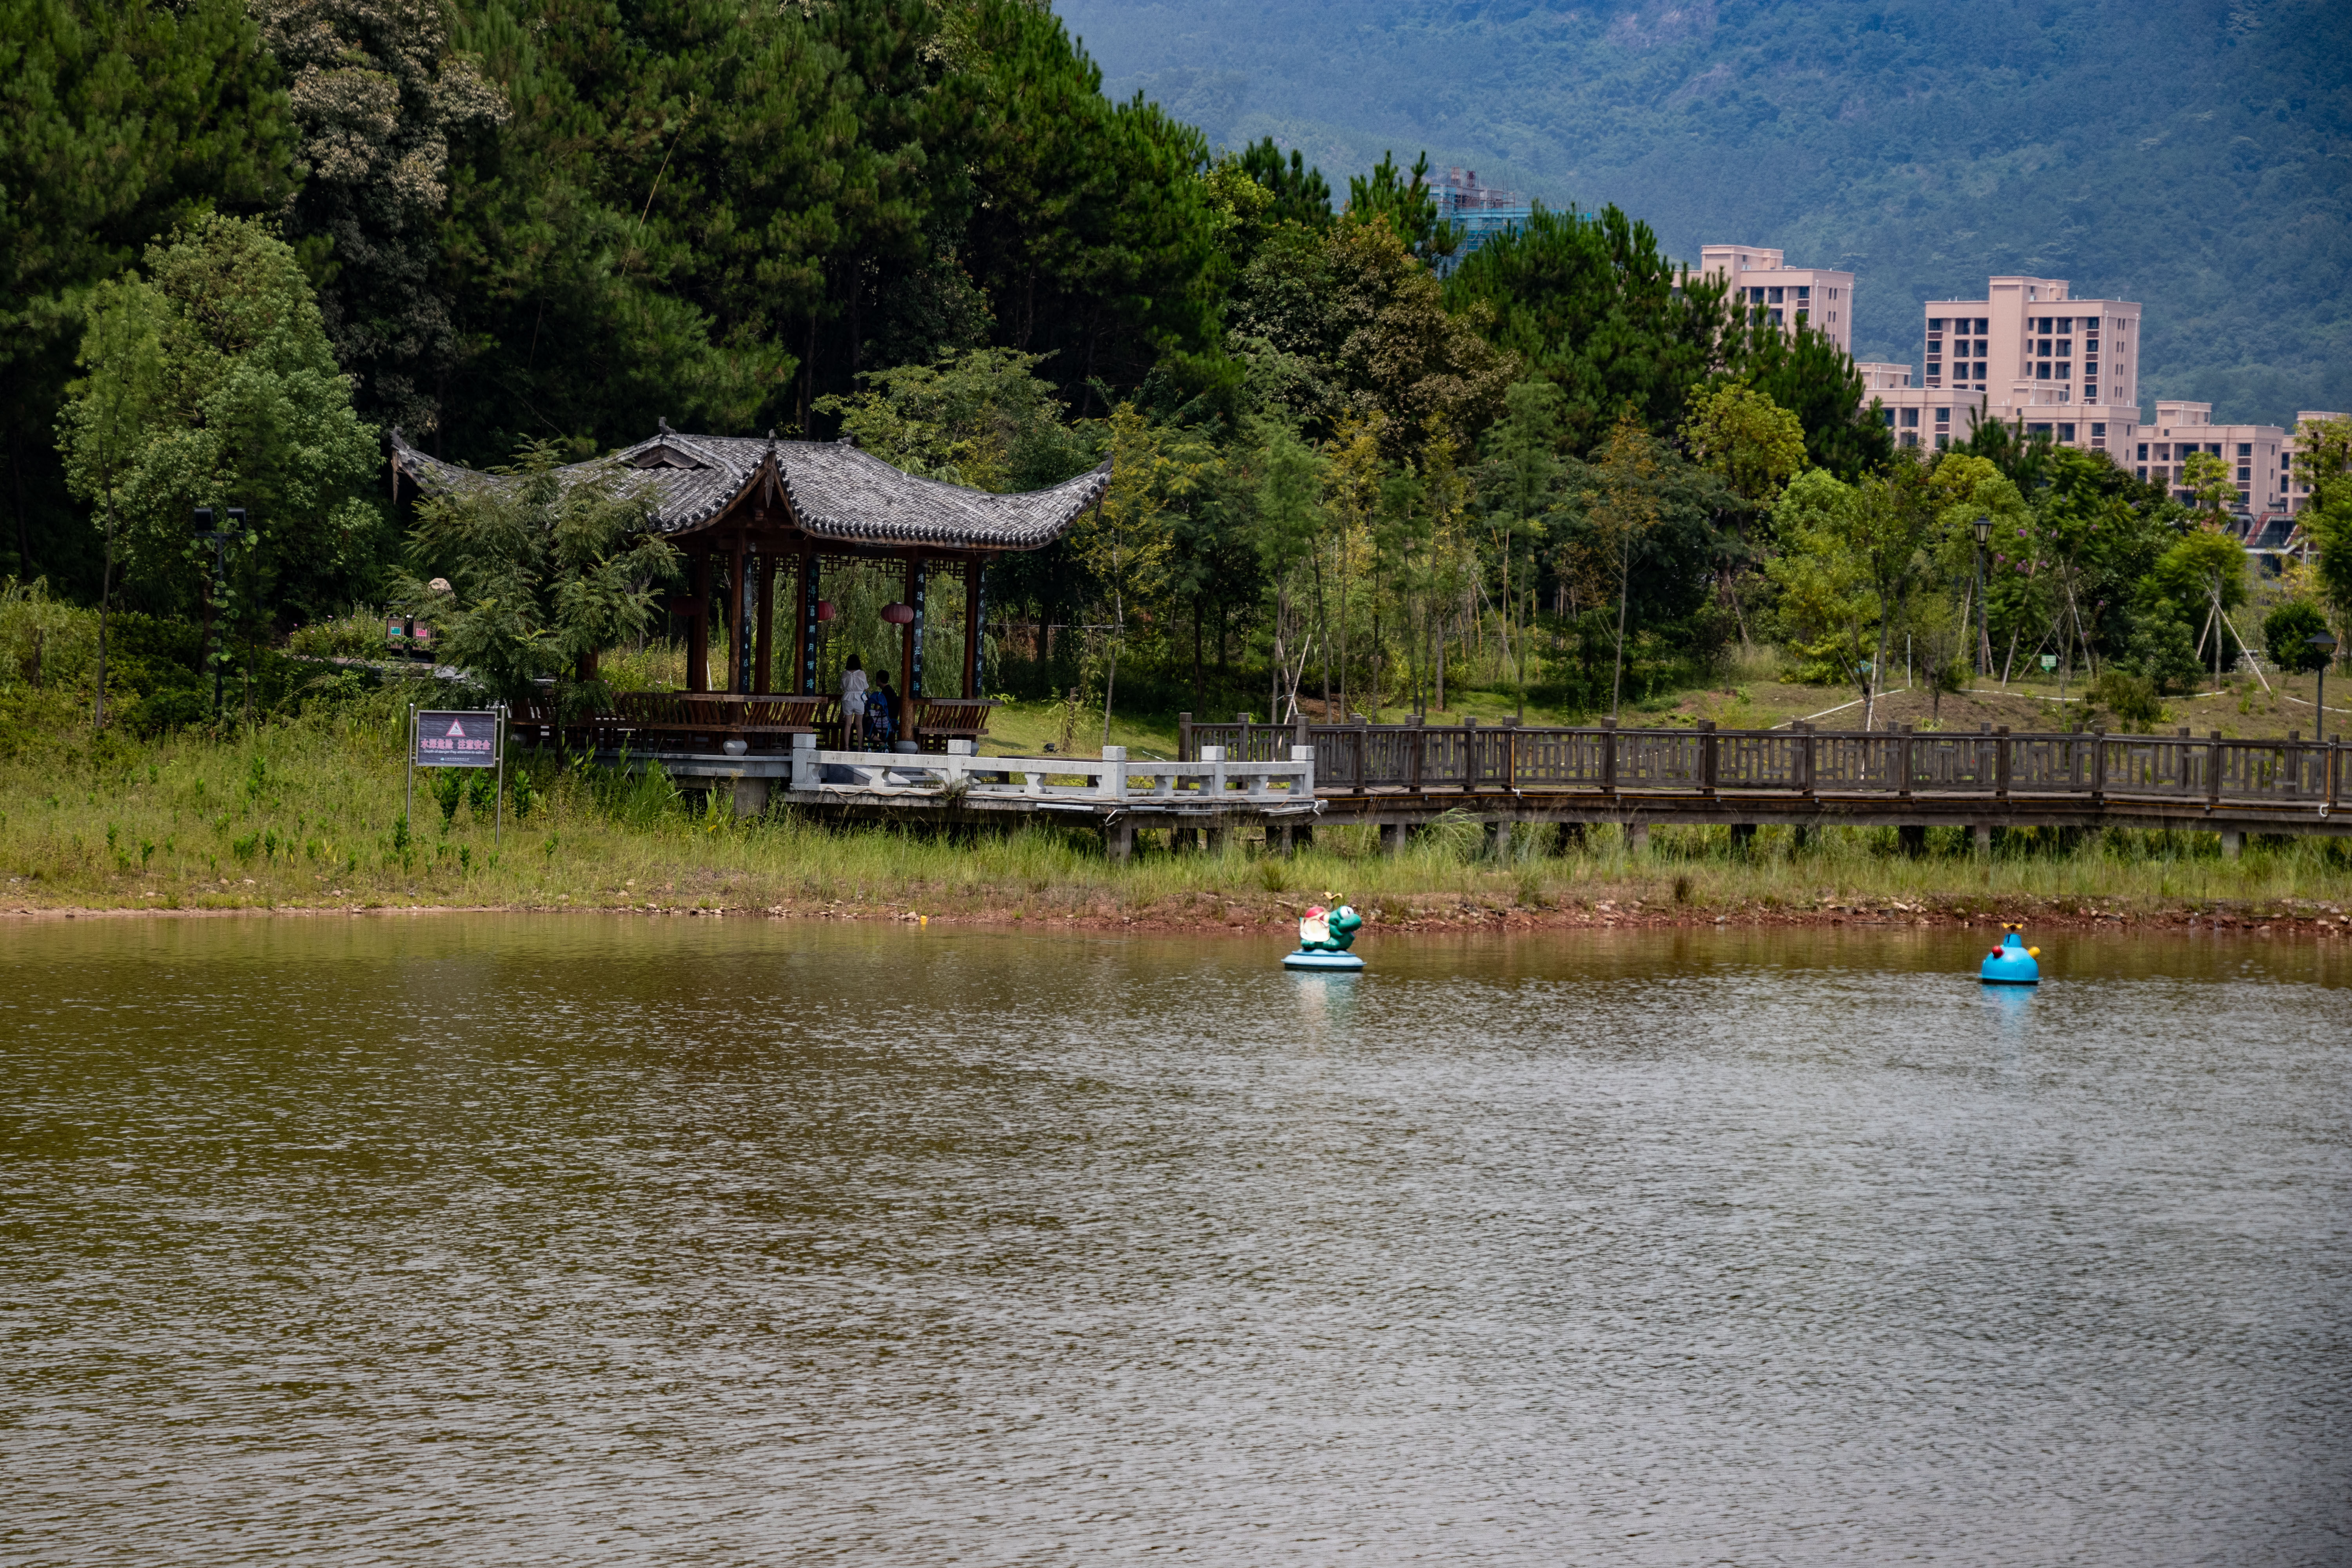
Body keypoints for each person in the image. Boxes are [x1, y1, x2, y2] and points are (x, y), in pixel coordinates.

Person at [838, 654, 867, 746]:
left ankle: (846, 746)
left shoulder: (844, 674)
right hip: (859, 699)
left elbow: (842, 687)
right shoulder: (861, 673)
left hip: (847, 699)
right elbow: (865, 687)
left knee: (848, 724)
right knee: (859, 724)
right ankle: (860, 747)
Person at [866, 670, 898, 746]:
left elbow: (883, 710)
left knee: (864, 724)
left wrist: (871, 712)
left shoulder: (883, 694)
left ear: (879, 680)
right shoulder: (890, 691)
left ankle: (881, 743)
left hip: (885, 720)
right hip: (890, 719)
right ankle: (881, 743)